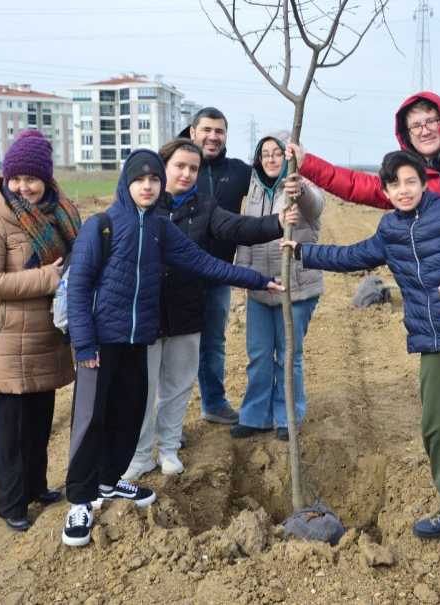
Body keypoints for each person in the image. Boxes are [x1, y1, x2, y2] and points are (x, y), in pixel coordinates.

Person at [288, 92, 440, 495]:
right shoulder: (413, 183)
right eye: (413, 125)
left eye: (429, 120)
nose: (423, 129)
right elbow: (352, 185)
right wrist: (307, 164)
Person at [61, 149, 283, 547]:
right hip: (101, 343)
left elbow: (204, 263)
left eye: (153, 180)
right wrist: (83, 343)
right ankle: (80, 499)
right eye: (140, 179)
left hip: (138, 339)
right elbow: (78, 287)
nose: (148, 186)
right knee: (91, 419)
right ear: (127, 183)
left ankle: (110, 481)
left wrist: (255, 279)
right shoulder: (103, 226)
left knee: (128, 415)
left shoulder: (161, 228)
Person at [123, 138, 298, 480]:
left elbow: (237, 228)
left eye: (193, 168)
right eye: (180, 166)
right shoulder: (143, 206)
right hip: (144, 313)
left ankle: (169, 447)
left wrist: (277, 222)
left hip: (188, 308)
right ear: (163, 168)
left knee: (179, 386)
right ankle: (141, 453)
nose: (186, 174)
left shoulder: (204, 207)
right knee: (142, 388)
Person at [0, 129, 79, 532]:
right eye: (16, 178)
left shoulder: (60, 212)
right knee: (12, 430)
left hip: (47, 334)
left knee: (40, 419)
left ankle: (35, 487)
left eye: (31, 179)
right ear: (5, 178)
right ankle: (11, 504)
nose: (23, 187)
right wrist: (46, 280)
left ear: (46, 179)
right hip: (10, 337)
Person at [231, 133, 324, 442]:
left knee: (288, 356)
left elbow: (316, 206)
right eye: (265, 153)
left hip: (294, 288)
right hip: (260, 287)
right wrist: (244, 277)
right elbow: (246, 234)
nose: (270, 158)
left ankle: (288, 417)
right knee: (258, 354)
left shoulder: (302, 186)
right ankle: (255, 415)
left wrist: (298, 191)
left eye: (277, 153)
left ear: (290, 156)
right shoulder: (253, 190)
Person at [181, 108, 253, 425]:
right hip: (177, 277)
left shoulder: (238, 172)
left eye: (219, 131)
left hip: (219, 274)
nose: (213, 136)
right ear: (193, 131)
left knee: (213, 343)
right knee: (176, 349)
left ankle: (214, 403)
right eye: (207, 130)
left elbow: (272, 180)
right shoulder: (177, 167)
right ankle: (172, 420)